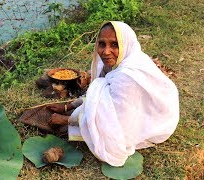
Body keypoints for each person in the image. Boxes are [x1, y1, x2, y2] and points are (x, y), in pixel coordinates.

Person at [46, 21, 179, 167]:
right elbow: (98, 98)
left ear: (126, 44)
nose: (106, 51)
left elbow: (112, 120)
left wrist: (67, 120)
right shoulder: (114, 63)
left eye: (114, 45)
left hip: (156, 124)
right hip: (139, 112)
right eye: (102, 44)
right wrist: (68, 106)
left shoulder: (127, 76)